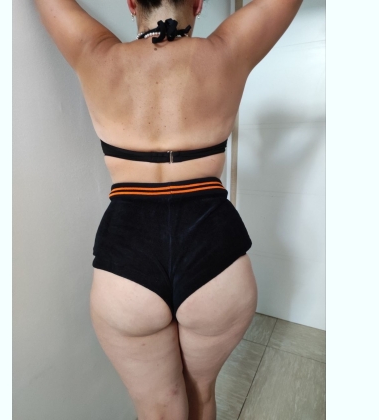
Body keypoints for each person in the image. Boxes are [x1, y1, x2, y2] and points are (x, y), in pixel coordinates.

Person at [34, 0, 303, 419]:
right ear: (198, 3)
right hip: (214, 249)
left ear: (131, 3)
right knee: (201, 395)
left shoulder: (96, 54)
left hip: (128, 253)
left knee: (158, 410)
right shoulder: (226, 49)